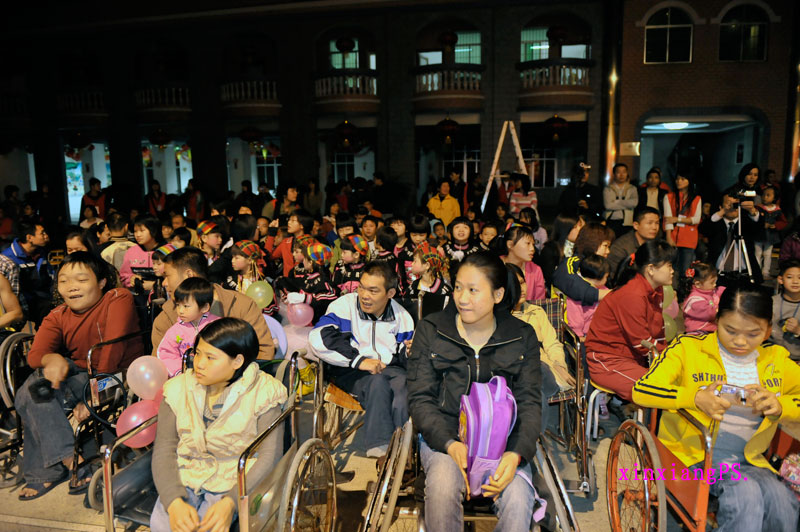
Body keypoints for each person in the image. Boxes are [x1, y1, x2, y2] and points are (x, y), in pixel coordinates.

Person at [632, 285, 800, 532]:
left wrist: (781, 405)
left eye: (753, 334)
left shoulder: (776, 360)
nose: (740, 341)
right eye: (730, 330)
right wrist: (695, 397)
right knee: (746, 497)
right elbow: (642, 390)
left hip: (749, 460)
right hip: (693, 457)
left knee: (783, 503)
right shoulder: (688, 348)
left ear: (767, 330)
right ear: (717, 319)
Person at [408, 252, 543, 532]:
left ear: (497, 295)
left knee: (519, 500)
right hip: (445, 439)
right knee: (443, 487)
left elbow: (529, 402)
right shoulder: (432, 329)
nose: (462, 298)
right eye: (458, 287)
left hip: (504, 443)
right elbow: (420, 398)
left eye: (473, 290)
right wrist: (450, 444)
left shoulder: (522, 336)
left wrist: (516, 454)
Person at [15, 252, 143, 499]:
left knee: (27, 396)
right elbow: (36, 354)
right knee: (34, 388)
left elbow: (111, 351)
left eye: (81, 280)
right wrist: (50, 359)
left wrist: (93, 396)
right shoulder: (58, 314)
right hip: (81, 371)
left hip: (117, 373)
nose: (71, 287)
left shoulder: (118, 298)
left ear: (102, 282)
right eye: (63, 281)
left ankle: (46, 472)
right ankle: (71, 460)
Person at [150, 318, 287, 532]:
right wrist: (173, 500)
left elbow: (269, 456)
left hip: (234, 478)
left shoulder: (265, 393)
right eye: (197, 353)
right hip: (186, 472)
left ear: (237, 361)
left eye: (210, 357)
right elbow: (164, 449)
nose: (199, 364)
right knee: (163, 526)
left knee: (208, 527)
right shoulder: (176, 390)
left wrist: (232, 501)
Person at [309, 261, 414, 458]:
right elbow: (318, 337)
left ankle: (403, 450)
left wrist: (410, 352)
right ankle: (380, 447)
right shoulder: (344, 306)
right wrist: (359, 361)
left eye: (373, 291)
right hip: (350, 369)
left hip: (390, 368)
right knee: (378, 383)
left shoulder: (402, 316)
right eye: (361, 287)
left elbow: (404, 359)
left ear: (390, 293)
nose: (364, 295)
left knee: (403, 389)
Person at [586, 240, 674, 401]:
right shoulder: (633, 294)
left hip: (633, 358)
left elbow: (658, 331)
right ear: (651, 269)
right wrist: (673, 357)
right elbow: (642, 343)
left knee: (678, 379)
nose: (672, 271)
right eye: (668, 265)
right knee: (659, 389)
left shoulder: (656, 289)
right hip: (608, 361)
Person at [152, 247, 275, 360]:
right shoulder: (166, 318)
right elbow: (160, 362)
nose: (164, 283)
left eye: (167, 276)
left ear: (189, 275)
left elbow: (263, 352)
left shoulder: (241, 305)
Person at [156, 277, 220, 376]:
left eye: (186, 306)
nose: (180, 311)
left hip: (214, 376)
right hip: (186, 376)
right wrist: (179, 371)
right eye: (178, 305)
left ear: (204, 307)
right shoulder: (176, 331)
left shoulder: (218, 325)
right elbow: (166, 352)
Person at [704, 193, 763, 285]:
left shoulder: (745, 223)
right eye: (728, 203)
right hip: (718, 275)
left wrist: (752, 210)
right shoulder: (715, 223)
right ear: (720, 207)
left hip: (744, 274)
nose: (733, 207)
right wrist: (723, 211)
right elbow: (704, 228)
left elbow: (759, 228)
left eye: (735, 204)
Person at [2, 221, 52, 325]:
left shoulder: (41, 252)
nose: (46, 236)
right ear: (29, 238)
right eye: (42, 233)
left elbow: (50, 275)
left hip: (43, 296)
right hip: (23, 302)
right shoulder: (8, 258)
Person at [553, 221, 615, 305]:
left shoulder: (600, 266)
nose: (608, 251)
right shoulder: (571, 263)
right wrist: (607, 294)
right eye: (605, 246)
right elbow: (571, 283)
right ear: (592, 243)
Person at [664, 172, 702, 279]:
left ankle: (684, 288)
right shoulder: (669, 197)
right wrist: (668, 236)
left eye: (682, 179)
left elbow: (696, 219)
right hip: (673, 236)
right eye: (677, 179)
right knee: (670, 269)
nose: (679, 181)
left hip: (689, 238)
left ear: (689, 181)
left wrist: (677, 219)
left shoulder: (696, 198)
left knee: (685, 271)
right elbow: (668, 219)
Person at [606, 207, 661, 281]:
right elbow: (616, 278)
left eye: (657, 223)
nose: (654, 227)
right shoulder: (620, 247)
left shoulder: (658, 243)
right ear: (636, 225)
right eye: (649, 223)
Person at [566, 253, 610, 339]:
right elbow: (575, 321)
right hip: (584, 336)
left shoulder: (604, 289)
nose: (606, 280)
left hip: (602, 333)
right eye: (606, 277)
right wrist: (579, 336)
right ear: (598, 277)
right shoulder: (575, 293)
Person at [501, 225, 545, 301]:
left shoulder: (536, 270)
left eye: (533, 244)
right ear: (510, 244)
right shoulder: (495, 265)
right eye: (527, 243)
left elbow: (540, 302)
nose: (532, 249)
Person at [119, 215, 163, 291]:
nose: (138, 235)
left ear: (153, 230)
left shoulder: (167, 250)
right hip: (138, 295)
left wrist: (155, 285)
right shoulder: (131, 251)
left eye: (142, 231)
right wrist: (131, 279)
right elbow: (124, 276)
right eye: (135, 231)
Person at [266, 211, 313, 277]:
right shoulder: (286, 242)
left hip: (305, 281)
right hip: (287, 281)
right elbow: (269, 256)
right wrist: (272, 233)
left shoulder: (311, 243)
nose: (289, 222)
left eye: (293, 220)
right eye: (289, 219)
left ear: (302, 225)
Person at [681, 262, 725, 334]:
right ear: (698, 284)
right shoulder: (695, 300)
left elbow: (717, 292)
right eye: (712, 282)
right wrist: (720, 309)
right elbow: (710, 314)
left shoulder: (707, 291)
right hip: (698, 332)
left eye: (715, 282)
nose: (715, 285)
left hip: (708, 330)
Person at [755, 186, 787, 279]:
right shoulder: (758, 208)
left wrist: (776, 225)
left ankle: (766, 272)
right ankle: (756, 271)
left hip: (771, 236)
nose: (765, 197)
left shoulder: (777, 209)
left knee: (768, 254)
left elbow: (783, 221)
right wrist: (761, 224)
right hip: (759, 234)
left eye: (768, 195)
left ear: (774, 197)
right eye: (763, 195)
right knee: (757, 253)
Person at [771, 259, 800, 362]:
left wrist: (798, 331)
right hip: (772, 359)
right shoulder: (770, 303)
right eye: (789, 277)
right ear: (780, 280)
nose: (795, 281)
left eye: (799, 277)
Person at [603, 163, 638, 236]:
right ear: (614, 174)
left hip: (627, 222)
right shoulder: (608, 189)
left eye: (624, 172)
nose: (621, 175)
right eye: (618, 172)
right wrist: (627, 204)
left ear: (627, 173)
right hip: (612, 221)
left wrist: (616, 202)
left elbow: (634, 203)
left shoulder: (632, 188)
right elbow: (608, 206)